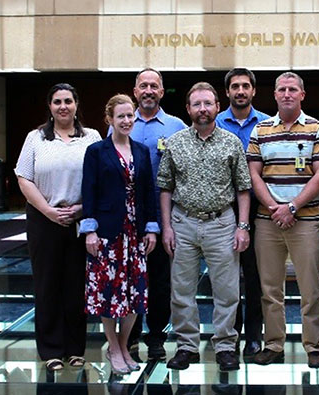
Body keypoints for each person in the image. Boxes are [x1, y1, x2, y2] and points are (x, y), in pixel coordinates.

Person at [158, 82, 252, 372]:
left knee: (226, 290)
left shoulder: (231, 143)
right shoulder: (175, 142)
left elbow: (243, 188)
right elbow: (164, 187)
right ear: (188, 109)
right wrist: (167, 228)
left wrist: (242, 226)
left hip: (221, 223)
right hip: (182, 223)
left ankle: (225, 345)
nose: (203, 109)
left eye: (208, 104)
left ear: (217, 107)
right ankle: (187, 346)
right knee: (181, 290)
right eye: (197, 104)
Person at [14, 83, 101, 372]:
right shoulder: (36, 138)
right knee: (47, 285)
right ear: (50, 107)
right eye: (57, 102)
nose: (62, 106)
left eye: (68, 101)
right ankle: (51, 350)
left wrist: (81, 209)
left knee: (77, 287)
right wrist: (49, 211)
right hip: (44, 219)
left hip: (80, 219)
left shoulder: (92, 137)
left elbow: (100, 179)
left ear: (77, 104)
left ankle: (75, 348)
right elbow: (24, 178)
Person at [247, 72, 319, 369]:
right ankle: (274, 345)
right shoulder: (261, 130)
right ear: (274, 95)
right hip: (267, 221)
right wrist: (274, 207)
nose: (286, 94)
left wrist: (292, 207)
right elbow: (253, 174)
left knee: (311, 288)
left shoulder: (317, 129)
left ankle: (314, 346)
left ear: (302, 95)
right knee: (270, 289)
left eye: (292, 89)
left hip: (305, 221)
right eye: (281, 89)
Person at [80, 94, 158, 375]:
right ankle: (112, 346)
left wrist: (151, 228)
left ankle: (124, 346)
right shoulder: (96, 151)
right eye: (121, 116)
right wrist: (90, 230)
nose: (127, 121)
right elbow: (88, 191)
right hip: (107, 234)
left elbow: (149, 192)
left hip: (135, 234)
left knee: (135, 294)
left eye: (130, 116)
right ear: (109, 120)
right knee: (108, 292)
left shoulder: (141, 151)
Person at [122, 68, 187, 362]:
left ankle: (157, 337)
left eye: (154, 86)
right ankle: (130, 337)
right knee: (130, 280)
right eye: (143, 85)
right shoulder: (120, 125)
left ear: (162, 92)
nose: (148, 90)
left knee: (161, 283)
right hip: (127, 220)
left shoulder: (176, 127)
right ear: (135, 91)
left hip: (165, 220)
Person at [215, 68, 270, 361]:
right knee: (226, 277)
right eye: (235, 86)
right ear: (227, 92)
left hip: (258, 210)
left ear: (253, 91)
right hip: (223, 209)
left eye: (245, 86)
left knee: (254, 276)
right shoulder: (214, 122)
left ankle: (253, 338)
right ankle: (228, 337)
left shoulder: (265, 124)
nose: (240, 91)